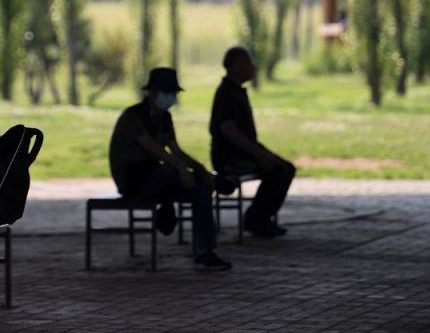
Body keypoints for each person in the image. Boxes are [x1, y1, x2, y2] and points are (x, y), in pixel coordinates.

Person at [108, 67, 232, 271]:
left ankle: (205, 252)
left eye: (173, 93)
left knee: (201, 187)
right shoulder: (133, 116)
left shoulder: (165, 118)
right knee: (170, 171)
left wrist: (201, 171)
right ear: (151, 93)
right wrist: (181, 169)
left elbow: (176, 151)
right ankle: (168, 205)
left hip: (158, 177)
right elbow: (154, 149)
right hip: (133, 181)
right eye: (167, 92)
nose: (171, 97)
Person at [209, 46, 295, 238]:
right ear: (236, 68)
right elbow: (230, 131)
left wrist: (262, 152)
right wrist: (259, 155)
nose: (253, 68)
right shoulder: (226, 94)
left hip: (244, 151)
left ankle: (261, 217)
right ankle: (256, 219)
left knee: (286, 168)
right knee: (277, 171)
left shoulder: (236, 92)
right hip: (231, 157)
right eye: (249, 64)